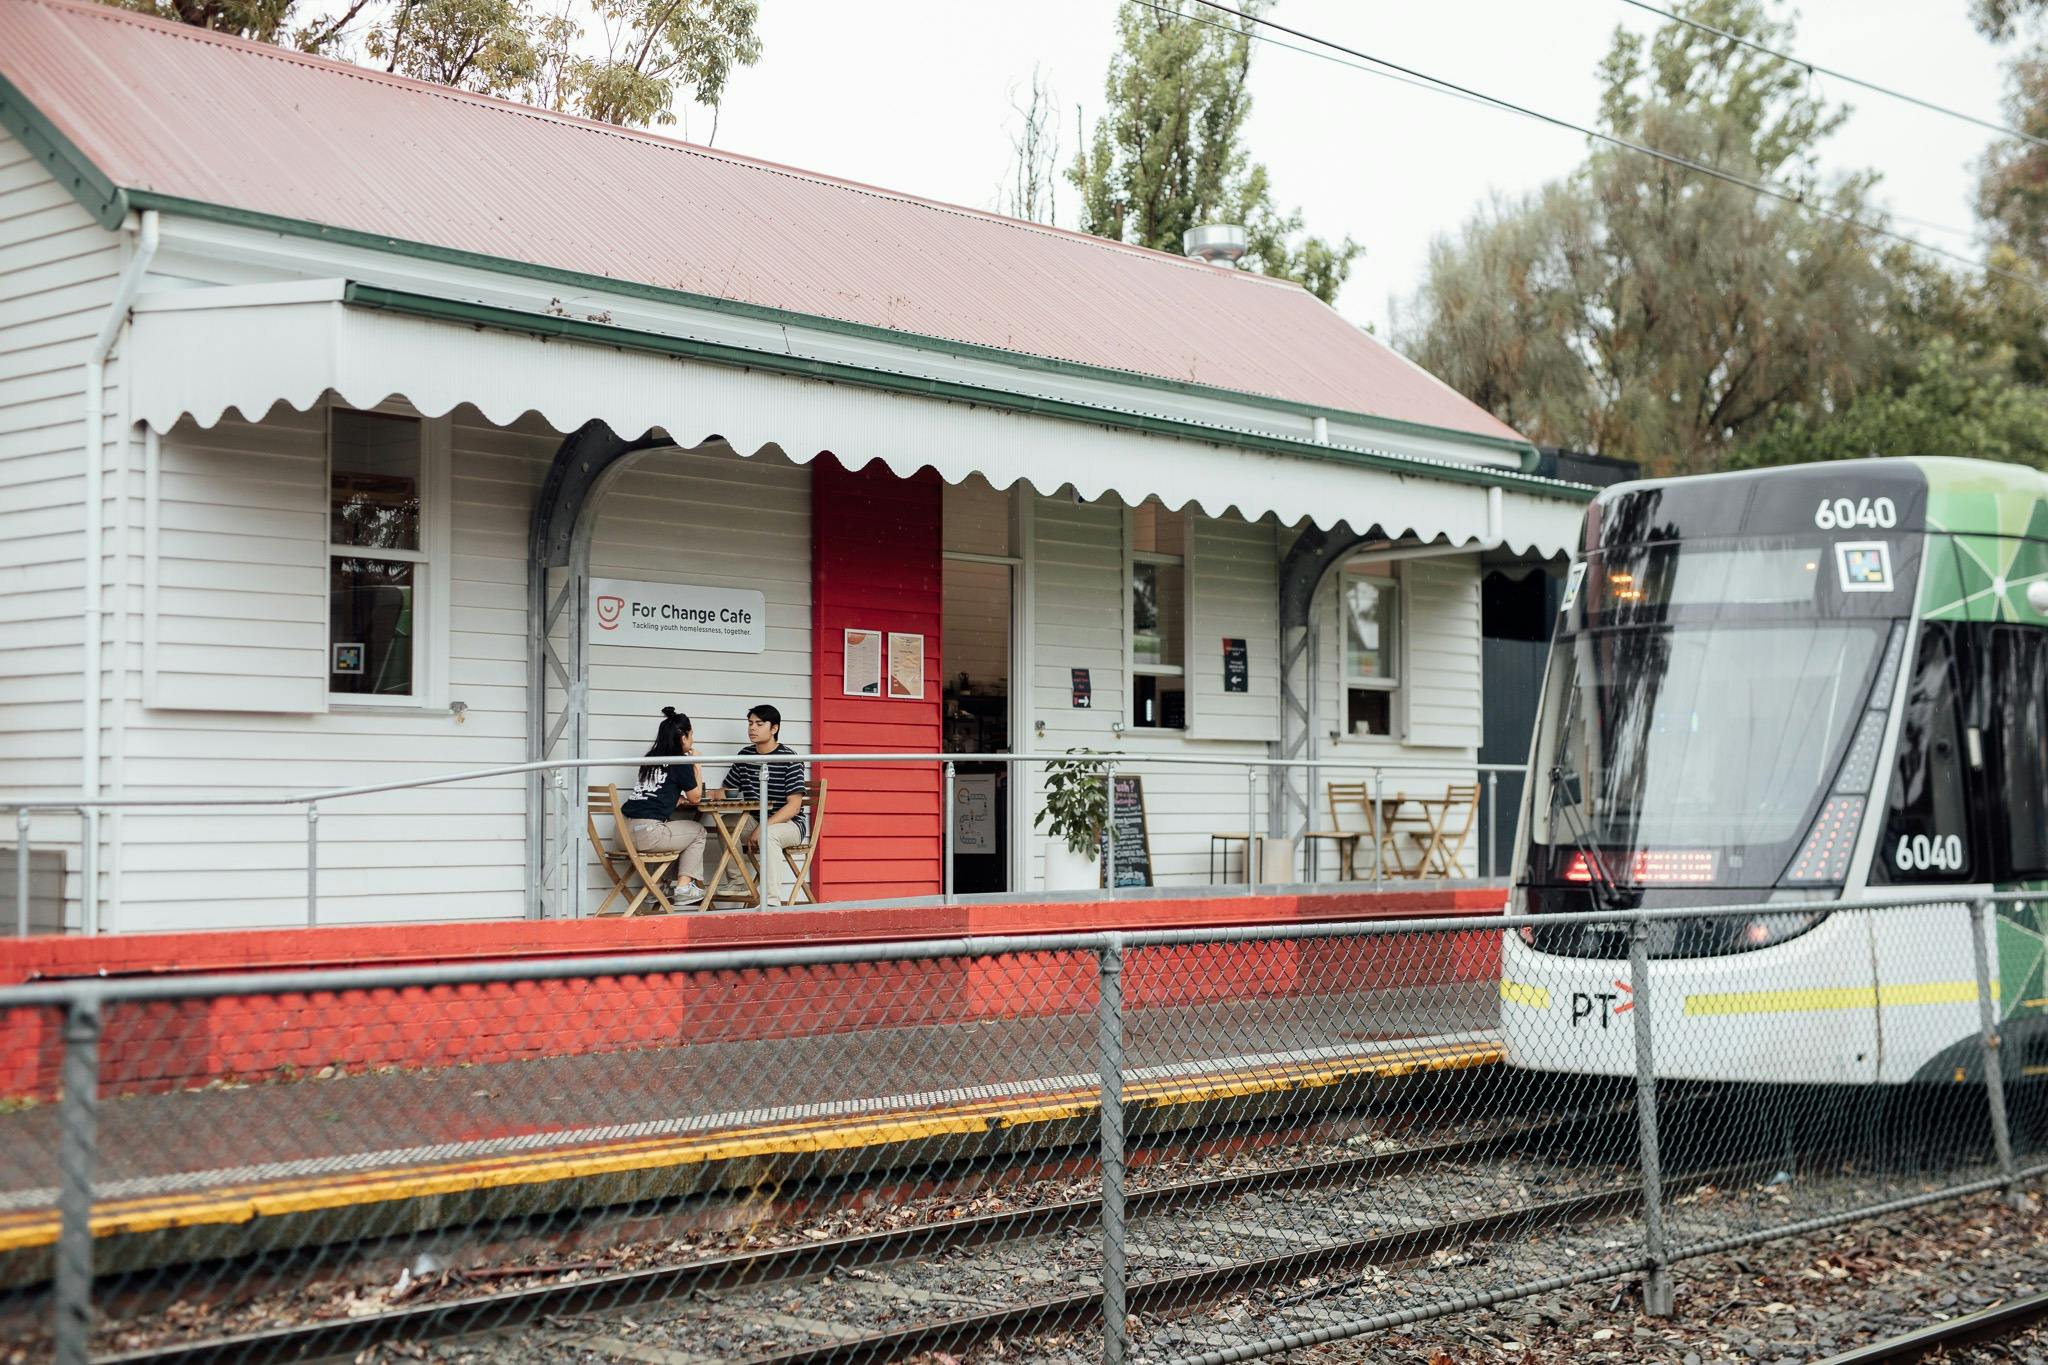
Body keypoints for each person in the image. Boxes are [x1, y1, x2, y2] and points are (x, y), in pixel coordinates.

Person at [708, 703, 807, 903]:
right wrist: (695, 789)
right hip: (756, 820)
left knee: (768, 835)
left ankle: (771, 900)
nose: (752, 728)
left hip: (790, 825)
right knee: (725, 824)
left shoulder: (789, 758)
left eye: (759, 724)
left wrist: (763, 827)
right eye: (750, 723)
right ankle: (738, 882)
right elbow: (727, 791)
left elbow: (794, 806)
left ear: (774, 728)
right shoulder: (745, 755)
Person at [619, 707, 706, 905]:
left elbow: (654, 790)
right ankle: (683, 888)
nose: (692, 740)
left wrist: (674, 798)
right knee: (698, 831)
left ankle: (657, 888)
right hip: (647, 834)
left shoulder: (651, 757)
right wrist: (697, 764)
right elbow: (696, 797)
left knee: (670, 826)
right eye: (691, 735)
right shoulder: (679, 761)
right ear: (683, 737)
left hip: (622, 834)